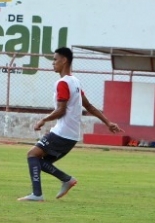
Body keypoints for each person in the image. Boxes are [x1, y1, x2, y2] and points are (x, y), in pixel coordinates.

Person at [18, 46, 122, 202]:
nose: (53, 63)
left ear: (64, 60)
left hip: (62, 133)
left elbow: (61, 110)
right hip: (72, 136)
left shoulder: (62, 83)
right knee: (38, 161)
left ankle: (39, 193)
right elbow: (89, 106)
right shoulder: (75, 82)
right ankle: (65, 180)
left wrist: (43, 120)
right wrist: (108, 122)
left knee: (32, 155)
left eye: (55, 59)